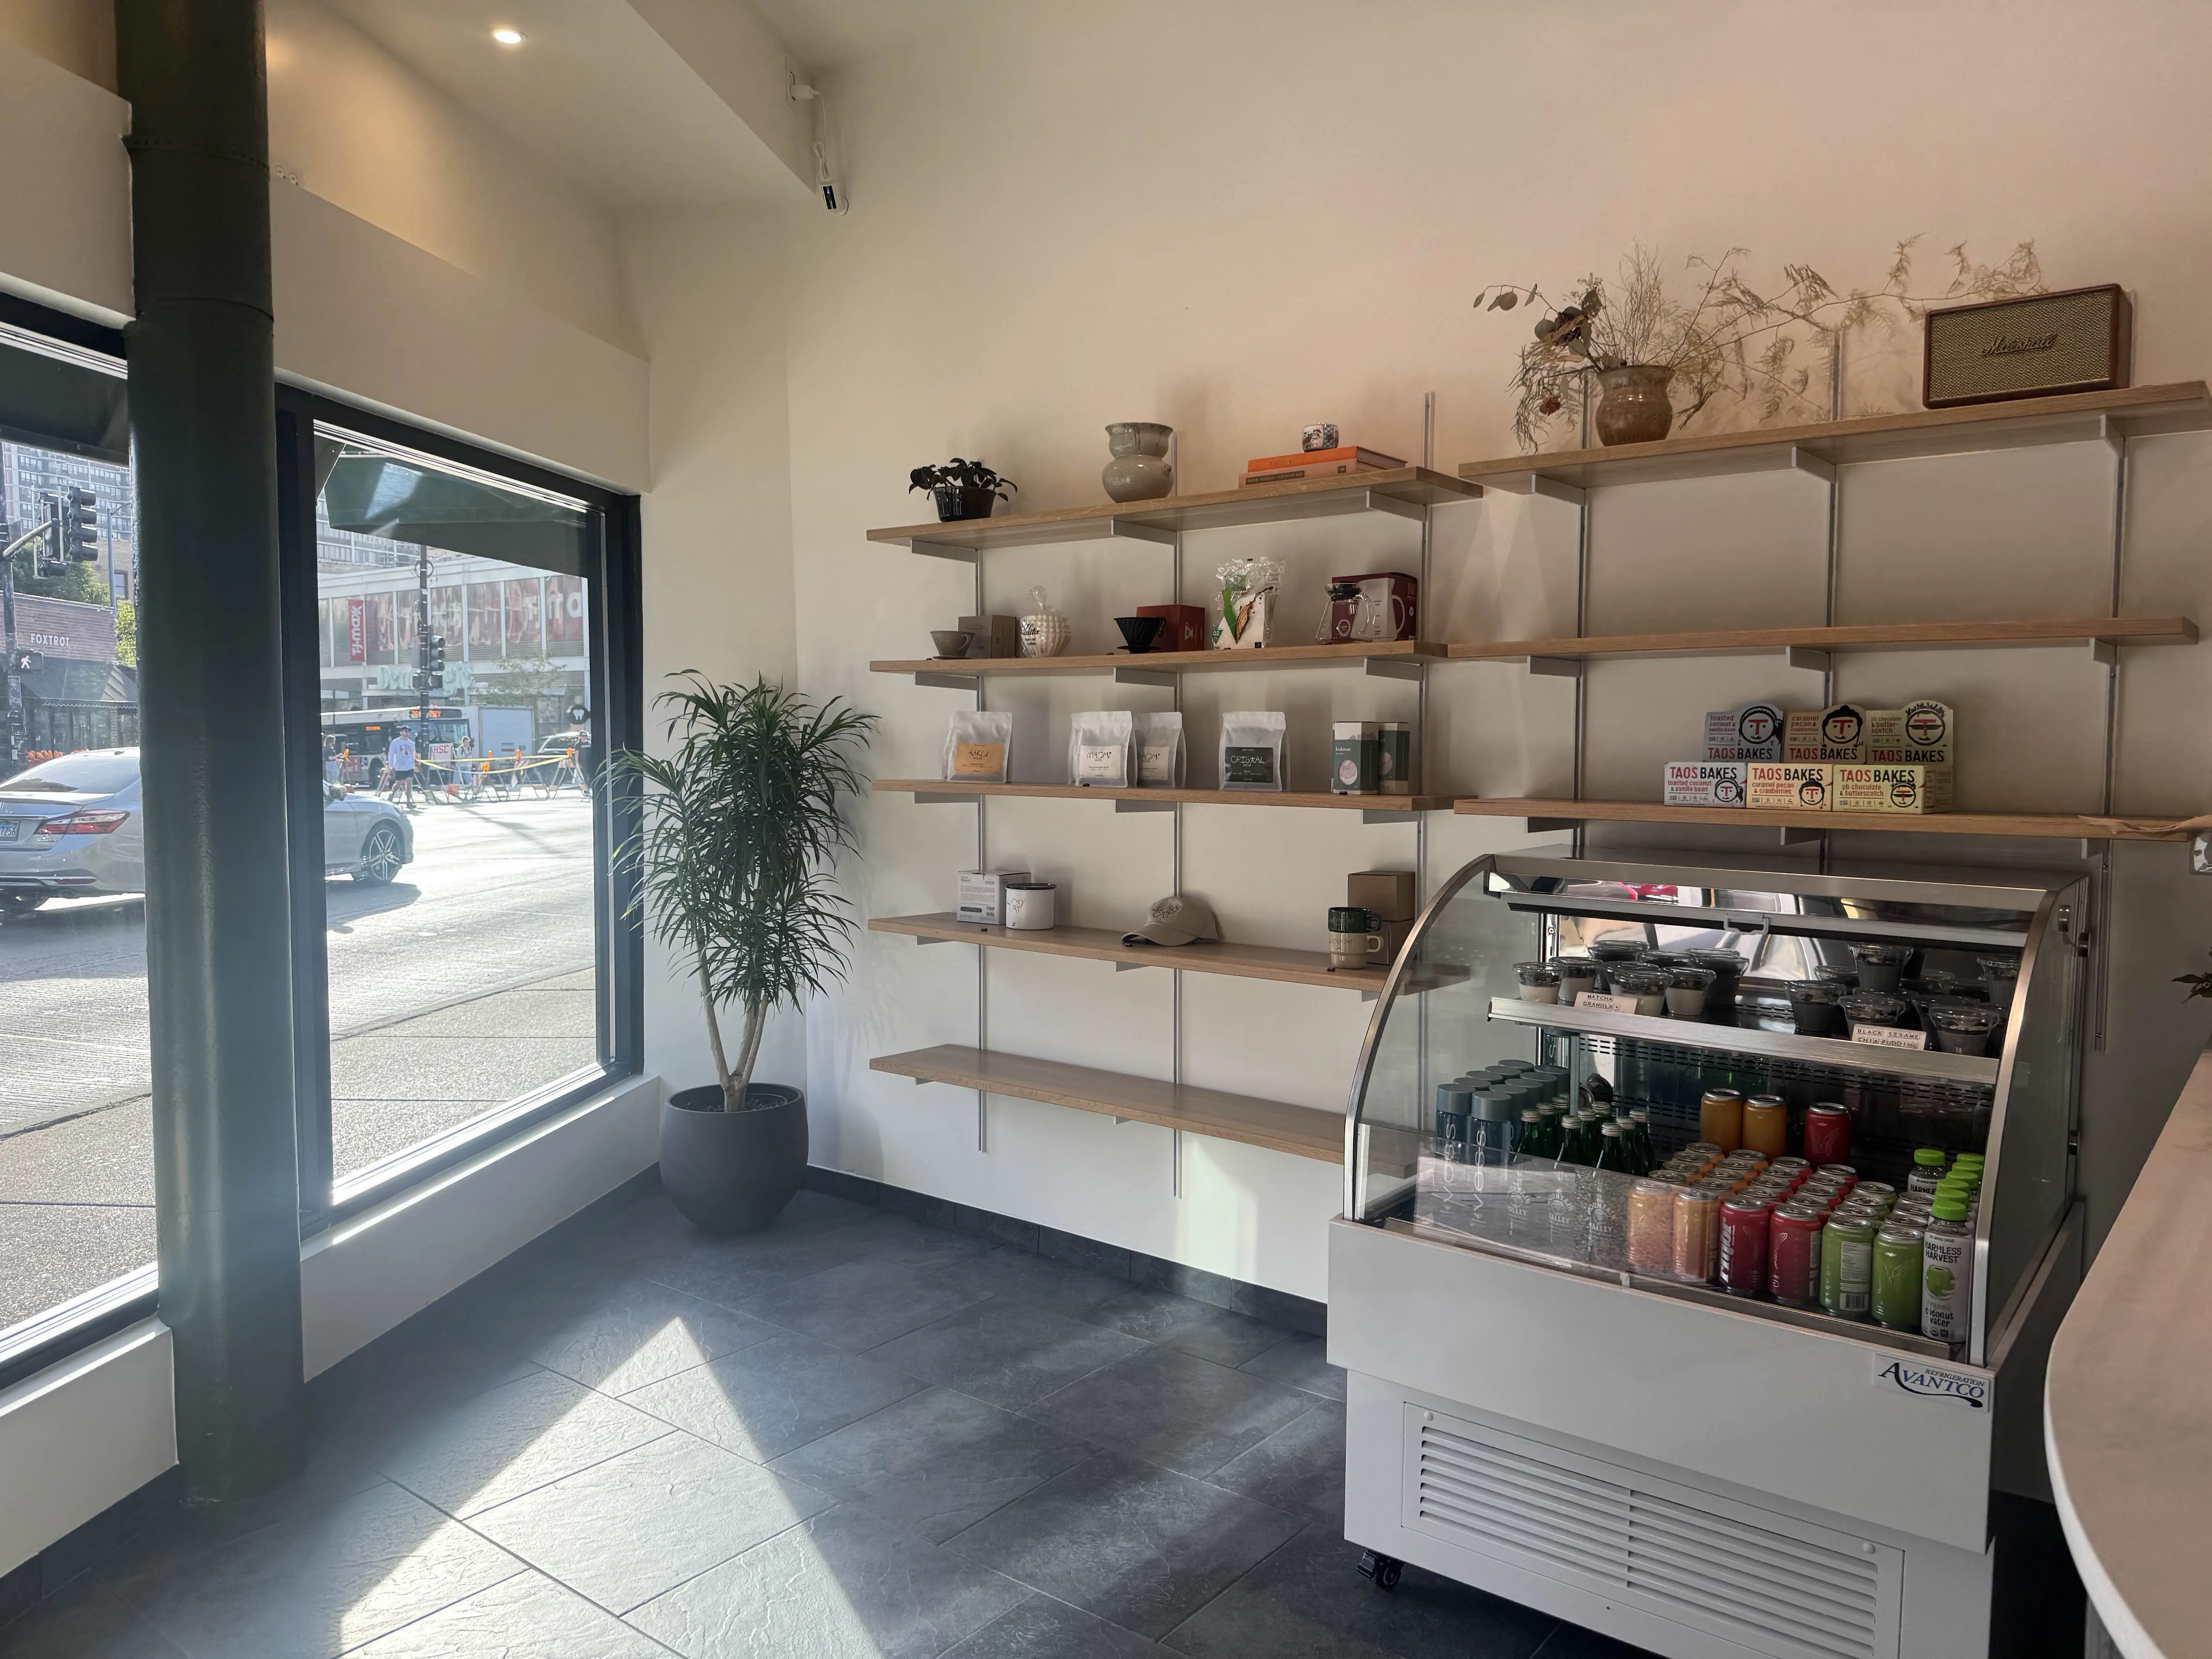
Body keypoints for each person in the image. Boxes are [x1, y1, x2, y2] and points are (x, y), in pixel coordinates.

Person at [385, 725, 418, 810]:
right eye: (405, 731)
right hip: (399, 767)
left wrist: (415, 763)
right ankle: (392, 795)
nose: (407, 733)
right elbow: (391, 754)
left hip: (409, 767)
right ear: (401, 732)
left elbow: (413, 755)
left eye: (408, 732)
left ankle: (409, 802)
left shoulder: (411, 743)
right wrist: (392, 766)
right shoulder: (396, 742)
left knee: (409, 783)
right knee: (399, 784)